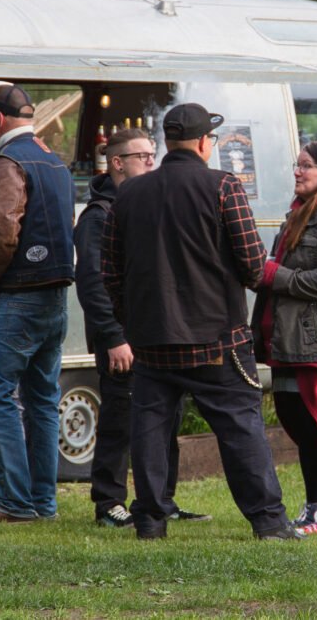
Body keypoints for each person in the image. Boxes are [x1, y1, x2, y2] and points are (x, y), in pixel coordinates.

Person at [102, 102, 300, 541]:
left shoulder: (129, 193)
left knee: (150, 432)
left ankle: (150, 522)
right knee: (241, 430)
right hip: (218, 337)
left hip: (151, 339)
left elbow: (110, 271)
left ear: (166, 142)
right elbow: (254, 266)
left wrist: (131, 320)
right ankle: (269, 522)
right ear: (204, 144)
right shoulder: (223, 185)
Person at [75, 127, 210, 528]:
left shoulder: (150, 202)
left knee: (167, 415)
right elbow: (93, 282)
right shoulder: (98, 215)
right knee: (120, 417)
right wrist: (114, 336)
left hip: (156, 332)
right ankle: (109, 502)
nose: (153, 162)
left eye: (154, 154)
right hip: (122, 337)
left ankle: (161, 499)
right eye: (143, 157)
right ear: (117, 163)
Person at [0, 81, 75, 524]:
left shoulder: (6, 162)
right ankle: (42, 501)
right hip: (54, 295)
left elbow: (3, 229)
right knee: (42, 398)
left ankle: (13, 500)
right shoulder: (54, 161)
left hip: (17, 295)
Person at [251, 141, 317, 536]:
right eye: (297, 165)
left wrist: (274, 275)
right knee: (302, 427)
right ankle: (316, 507)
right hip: (288, 341)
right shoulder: (295, 216)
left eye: (307, 166)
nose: (298, 172)